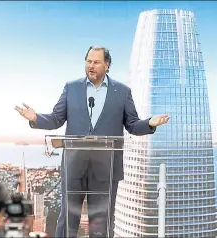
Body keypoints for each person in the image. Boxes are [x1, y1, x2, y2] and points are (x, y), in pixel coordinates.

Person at [15, 45, 170, 237]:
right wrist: (35, 118)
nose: (91, 66)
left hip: (106, 168)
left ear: (107, 65)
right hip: (74, 165)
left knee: (101, 223)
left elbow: (132, 124)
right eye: (88, 61)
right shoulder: (71, 88)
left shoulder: (122, 92)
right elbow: (56, 119)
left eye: (96, 62)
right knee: (68, 219)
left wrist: (150, 123)